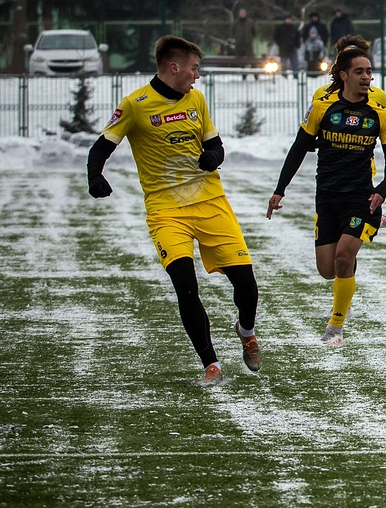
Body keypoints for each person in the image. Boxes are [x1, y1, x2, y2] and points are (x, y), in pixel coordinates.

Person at [86, 35, 261, 385]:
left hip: (210, 203)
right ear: (174, 67)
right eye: (194, 68)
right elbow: (101, 147)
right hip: (166, 211)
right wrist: (95, 176)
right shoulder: (135, 104)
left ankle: (246, 331)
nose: (197, 75)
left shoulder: (196, 99)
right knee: (185, 285)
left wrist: (213, 156)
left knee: (247, 285)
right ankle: (211, 363)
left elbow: (216, 145)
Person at [268, 46, 386, 349]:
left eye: (369, 71)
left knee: (343, 258)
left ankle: (335, 328)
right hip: (327, 196)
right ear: (343, 75)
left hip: (361, 197)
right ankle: (350, 269)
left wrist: (381, 190)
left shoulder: (380, 111)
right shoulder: (321, 106)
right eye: (359, 71)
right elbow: (299, 148)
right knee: (327, 270)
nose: (366, 77)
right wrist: (279, 189)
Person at [313, 34, 386, 230]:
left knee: (353, 222)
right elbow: (313, 131)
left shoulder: (378, 96)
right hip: (331, 173)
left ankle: (371, 215)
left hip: (361, 167)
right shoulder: (322, 95)